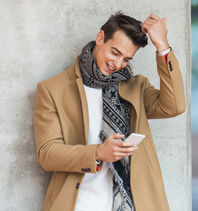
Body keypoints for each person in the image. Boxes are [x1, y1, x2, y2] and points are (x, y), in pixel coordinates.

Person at [33, 11, 186, 211]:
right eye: (115, 52)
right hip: (78, 204)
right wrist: (97, 153)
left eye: (126, 59)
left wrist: (162, 47)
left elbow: (174, 106)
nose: (118, 64)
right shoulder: (53, 89)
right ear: (100, 38)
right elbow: (47, 154)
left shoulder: (135, 87)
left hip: (133, 204)